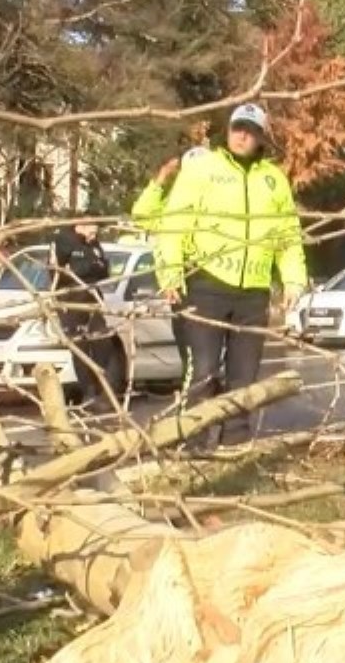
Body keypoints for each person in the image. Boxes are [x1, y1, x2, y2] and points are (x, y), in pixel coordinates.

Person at [157, 103, 307, 448]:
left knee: (244, 378)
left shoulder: (274, 180)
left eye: (250, 131)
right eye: (237, 128)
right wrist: (170, 272)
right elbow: (174, 223)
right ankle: (192, 449)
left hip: (253, 291)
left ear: (260, 138)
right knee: (203, 372)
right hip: (206, 285)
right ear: (227, 131)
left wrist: (294, 279)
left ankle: (234, 447)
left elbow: (288, 236)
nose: (242, 136)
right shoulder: (202, 169)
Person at [131, 144, 209, 386]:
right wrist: (161, 179)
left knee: (205, 354)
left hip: (208, 284)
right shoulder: (171, 206)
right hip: (179, 289)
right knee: (188, 352)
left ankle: (204, 391)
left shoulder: (217, 206)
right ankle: (193, 398)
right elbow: (142, 215)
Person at [51, 217, 114, 410]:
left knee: (103, 343)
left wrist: (94, 266)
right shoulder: (64, 241)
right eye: (92, 231)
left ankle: (101, 388)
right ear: (80, 225)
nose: (94, 236)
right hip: (72, 300)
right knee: (80, 347)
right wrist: (89, 267)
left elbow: (103, 268)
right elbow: (60, 271)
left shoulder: (93, 244)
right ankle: (88, 393)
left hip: (93, 298)